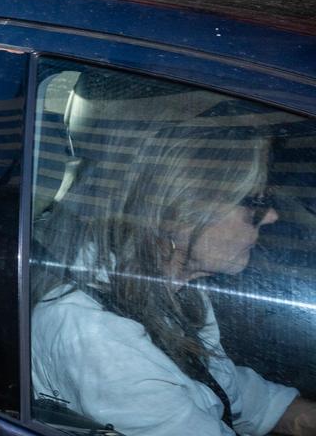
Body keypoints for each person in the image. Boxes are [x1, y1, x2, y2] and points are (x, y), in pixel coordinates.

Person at [31, 131, 316, 435]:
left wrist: (298, 416)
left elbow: (220, 386)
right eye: (255, 203)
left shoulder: (171, 287)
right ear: (182, 212)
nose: (271, 216)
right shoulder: (100, 340)